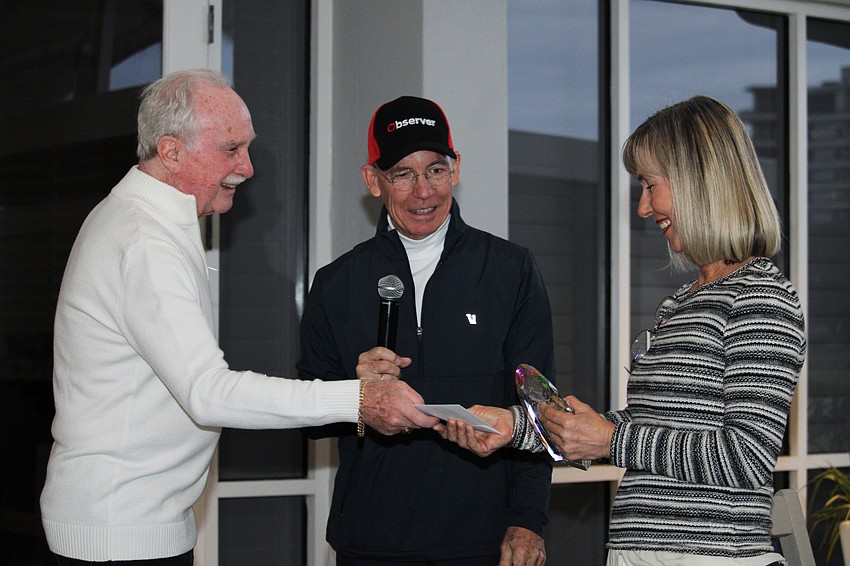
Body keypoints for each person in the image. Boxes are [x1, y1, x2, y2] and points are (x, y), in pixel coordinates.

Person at [39, 69, 438, 565]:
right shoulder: (145, 242)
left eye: (247, 149)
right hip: (119, 536)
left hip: (128, 526)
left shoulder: (143, 222)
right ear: (170, 152)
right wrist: (360, 399)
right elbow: (208, 393)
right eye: (231, 149)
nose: (247, 169)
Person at [440, 95, 807, 566]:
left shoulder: (760, 297)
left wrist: (609, 441)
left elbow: (746, 455)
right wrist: (516, 428)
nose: (643, 207)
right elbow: (648, 430)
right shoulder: (682, 302)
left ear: (700, 181)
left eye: (650, 185)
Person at [297, 95, 555, 565]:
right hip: (370, 542)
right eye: (402, 174)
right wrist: (354, 394)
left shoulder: (510, 269)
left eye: (435, 170)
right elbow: (307, 416)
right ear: (372, 180)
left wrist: (527, 520)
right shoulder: (336, 283)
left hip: (486, 540)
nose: (423, 192)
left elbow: (537, 406)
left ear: (455, 169)